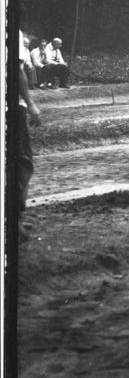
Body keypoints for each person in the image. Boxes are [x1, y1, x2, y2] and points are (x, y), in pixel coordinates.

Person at [16, 31, 43, 242]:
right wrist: (31, 103)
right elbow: (16, 71)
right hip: (13, 107)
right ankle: (13, 220)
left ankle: (15, 217)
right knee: (22, 162)